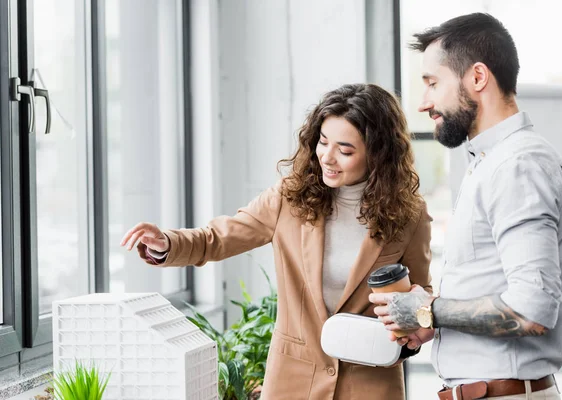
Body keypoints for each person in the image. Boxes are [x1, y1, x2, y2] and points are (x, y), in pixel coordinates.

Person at [120, 83, 433, 400]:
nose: (327, 157)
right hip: (293, 379)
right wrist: (167, 243)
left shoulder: (409, 215)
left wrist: (418, 329)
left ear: (378, 155)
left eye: (345, 150)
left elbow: (422, 294)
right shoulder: (290, 197)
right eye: (323, 142)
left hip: (371, 380)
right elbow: (218, 238)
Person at [369, 13, 562, 400]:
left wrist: (427, 311)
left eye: (433, 83)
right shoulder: (492, 163)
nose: (423, 103)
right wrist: (432, 324)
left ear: (478, 78)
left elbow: (531, 310)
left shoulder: (518, 166)